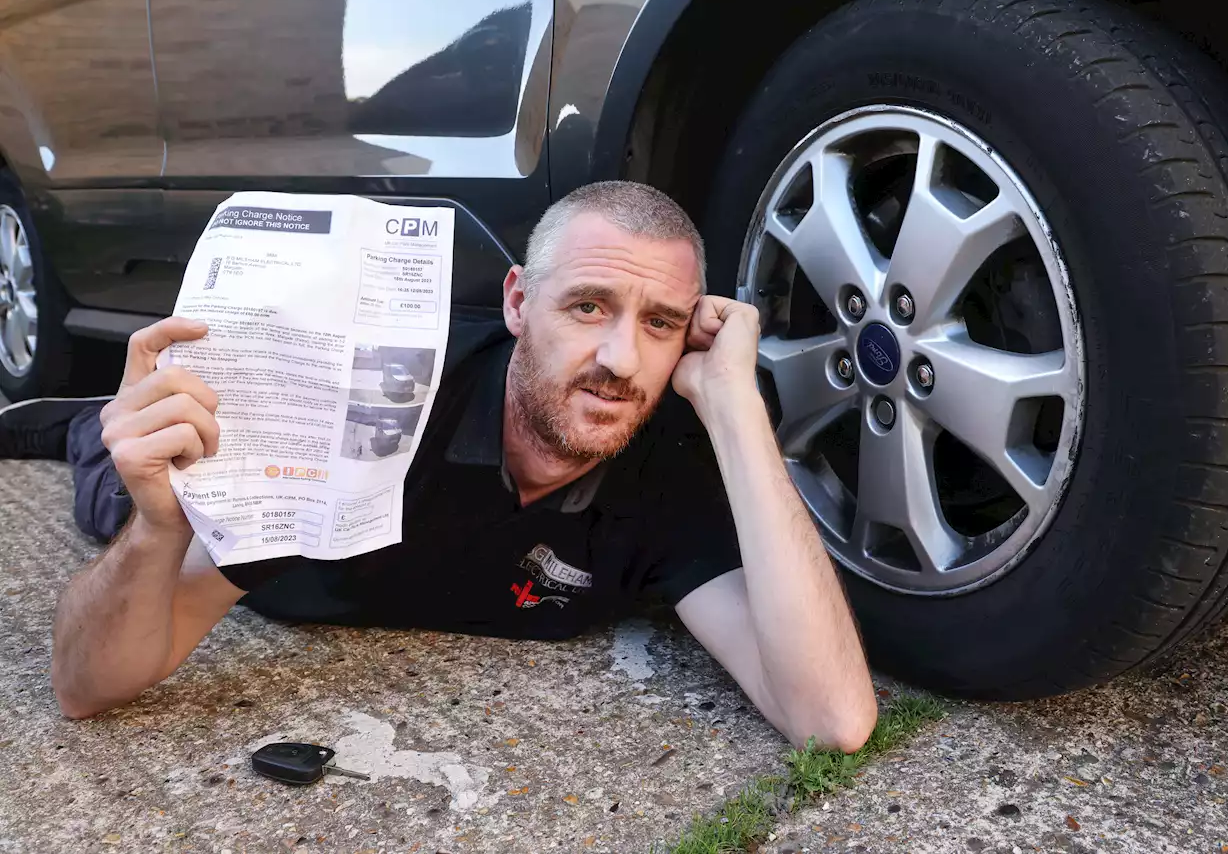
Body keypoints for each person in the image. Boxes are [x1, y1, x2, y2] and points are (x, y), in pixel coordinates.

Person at [5, 181, 877, 749]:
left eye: (659, 323)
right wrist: (159, 522)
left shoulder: (661, 464)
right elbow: (87, 686)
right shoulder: (378, 411)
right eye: (588, 305)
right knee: (118, 473)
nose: (621, 357)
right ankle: (66, 418)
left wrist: (736, 407)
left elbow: (834, 720)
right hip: (255, 516)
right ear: (517, 302)